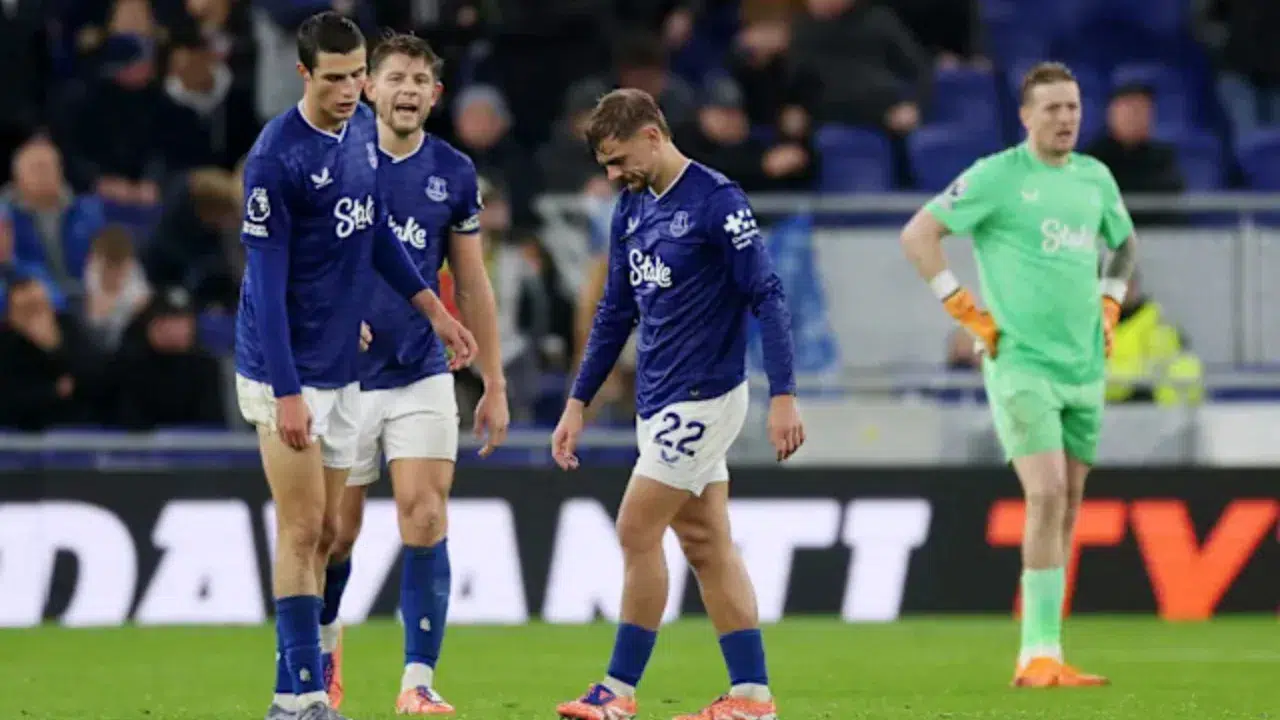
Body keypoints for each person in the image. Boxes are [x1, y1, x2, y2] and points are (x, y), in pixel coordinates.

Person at [233, 13, 477, 720]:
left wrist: (433, 309)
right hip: (284, 366)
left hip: (343, 366)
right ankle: (301, 693)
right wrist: (285, 393)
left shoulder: (361, 136)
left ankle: (297, 692)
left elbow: (372, 236)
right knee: (303, 526)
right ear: (304, 74)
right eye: (335, 78)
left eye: (356, 75)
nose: (348, 90)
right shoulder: (275, 159)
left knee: (328, 535)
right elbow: (266, 286)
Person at [551, 88, 805, 720]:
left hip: (704, 396)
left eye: (618, 160)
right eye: (606, 165)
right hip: (658, 399)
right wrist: (578, 401)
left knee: (635, 528)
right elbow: (614, 312)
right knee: (706, 542)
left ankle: (617, 690)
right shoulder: (631, 209)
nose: (614, 175)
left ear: (652, 135)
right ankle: (751, 695)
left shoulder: (718, 201)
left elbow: (767, 295)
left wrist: (783, 394)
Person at [899, 61, 1138, 688]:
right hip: (1020, 362)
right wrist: (962, 307)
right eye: (1052, 108)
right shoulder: (996, 177)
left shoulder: (1094, 177)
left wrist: (1110, 300)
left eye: (1073, 107)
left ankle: (1047, 651)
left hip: (1084, 363)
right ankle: (1034, 653)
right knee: (1048, 492)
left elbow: (1125, 243)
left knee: (1070, 502)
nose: (1066, 118)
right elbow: (919, 234)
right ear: (1026, 115)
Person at [317, 32, 509, 716]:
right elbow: (291, 260)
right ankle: (324, 653)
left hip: (420, 370)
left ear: (435, 95)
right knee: (335, 535)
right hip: (340, 377)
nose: (407, 90)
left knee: (425, 514)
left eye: (419, 81)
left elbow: (473, 281)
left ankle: (418, 682)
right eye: (395, 77)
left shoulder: (453, 172)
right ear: (368, 87)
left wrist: (494, 380)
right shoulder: (330, 158)